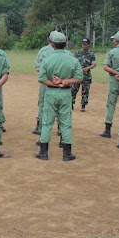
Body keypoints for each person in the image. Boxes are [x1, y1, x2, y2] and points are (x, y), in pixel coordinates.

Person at [36, 32, 83, 161]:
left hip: (51, 92)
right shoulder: (72, 59)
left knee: (47, 122)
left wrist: (54, 83)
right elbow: (79, 78)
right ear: (65, 44)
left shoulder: (47, 59)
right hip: (66, 93)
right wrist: (64, 82)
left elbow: (41, 78)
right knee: (66, 122)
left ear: (52, 44)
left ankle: (43, 152)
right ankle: (67, 153)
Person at [99, 31, 119, 138]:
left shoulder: (111, 52)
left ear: (116, 41)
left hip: (114, 80)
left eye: (114, 40)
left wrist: (116, 73)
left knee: (110, 104)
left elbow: (105, 66)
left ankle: (107, 130)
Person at [33, 32, 55, 135]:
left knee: (43, 104)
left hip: (46, 82)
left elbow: (38, 68)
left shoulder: (44, 51)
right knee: (61, 107)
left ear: (49, 40)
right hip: (62, 84)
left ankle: (40, 126)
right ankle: (61, 130)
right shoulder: (67, 53)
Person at [71, 38, 96, 112]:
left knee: (85, 91)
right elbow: (73, 62)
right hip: (77, 74)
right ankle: (71, 103)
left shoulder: (91, 54)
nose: (83, 45)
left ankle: (83, 105)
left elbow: (94, 64)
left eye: (85, 44)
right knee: (73, 89)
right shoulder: (78, 52)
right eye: (83, 44)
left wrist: (87, 68)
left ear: (88, 45)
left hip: (86, 75)